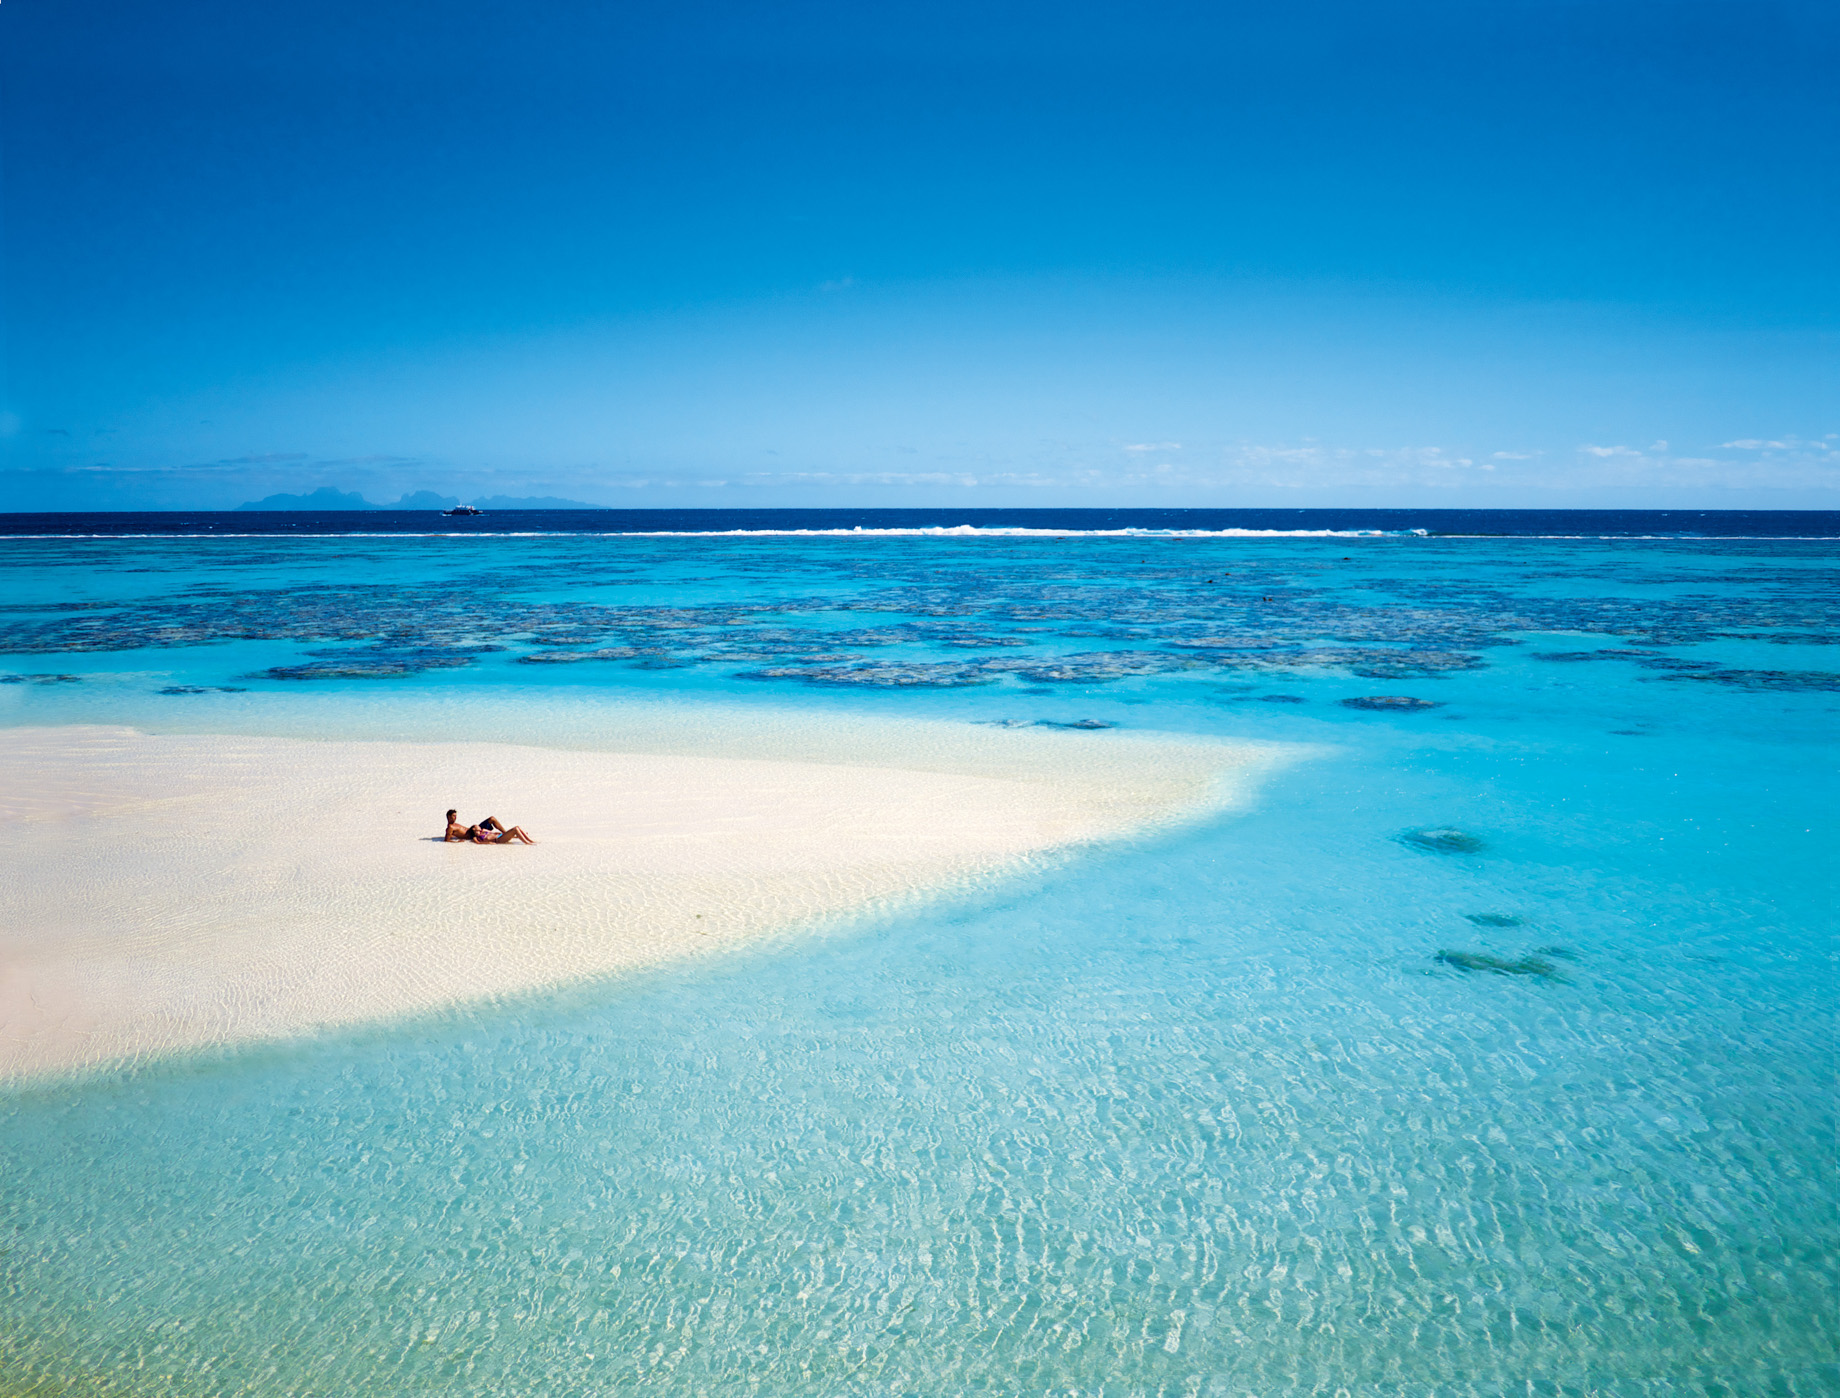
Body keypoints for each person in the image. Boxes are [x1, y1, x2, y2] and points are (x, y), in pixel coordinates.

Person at [443, 808, 536, 844]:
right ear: (448, 817)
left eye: (456, 815)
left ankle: (505, 833)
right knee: (492, 820)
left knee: (492, 818)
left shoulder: (454, 825)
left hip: (475, 830)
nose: (455, 817)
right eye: (453, 816)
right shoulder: (450, 828)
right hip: (474, 834)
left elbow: (451, 835)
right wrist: (457, 841)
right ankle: (509, 834)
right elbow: (446, 840)